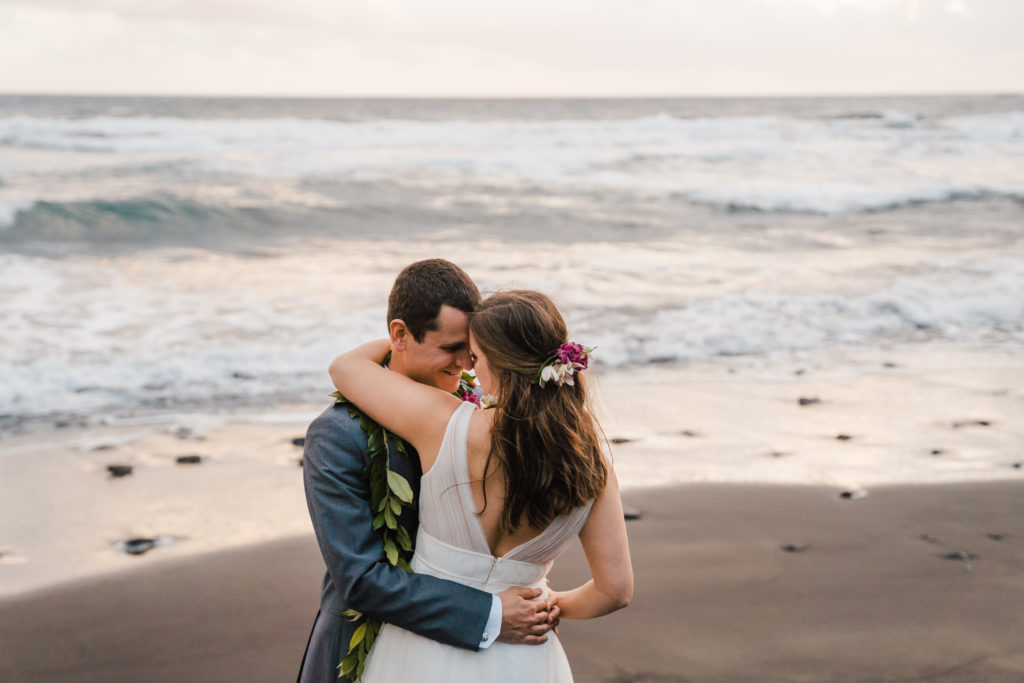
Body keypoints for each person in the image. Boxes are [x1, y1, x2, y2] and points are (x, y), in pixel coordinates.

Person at [329, 289, 633, 682]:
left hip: (424, 650)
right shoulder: (591, 464)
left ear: (500, 367)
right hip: (525, 659)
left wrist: (403, 338)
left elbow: (345, 367)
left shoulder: (443, 423)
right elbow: (616, 591)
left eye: (475, 356)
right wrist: (551, 606)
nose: (469, 368)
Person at [297, 261, 556, 683]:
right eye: (452, 347)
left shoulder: (484, 411)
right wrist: (491, 613)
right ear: (399, 335)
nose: (466, 363)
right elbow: (361, 579)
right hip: (366, 651)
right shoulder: (337, 435)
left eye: (473, 349)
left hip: (475, 659)